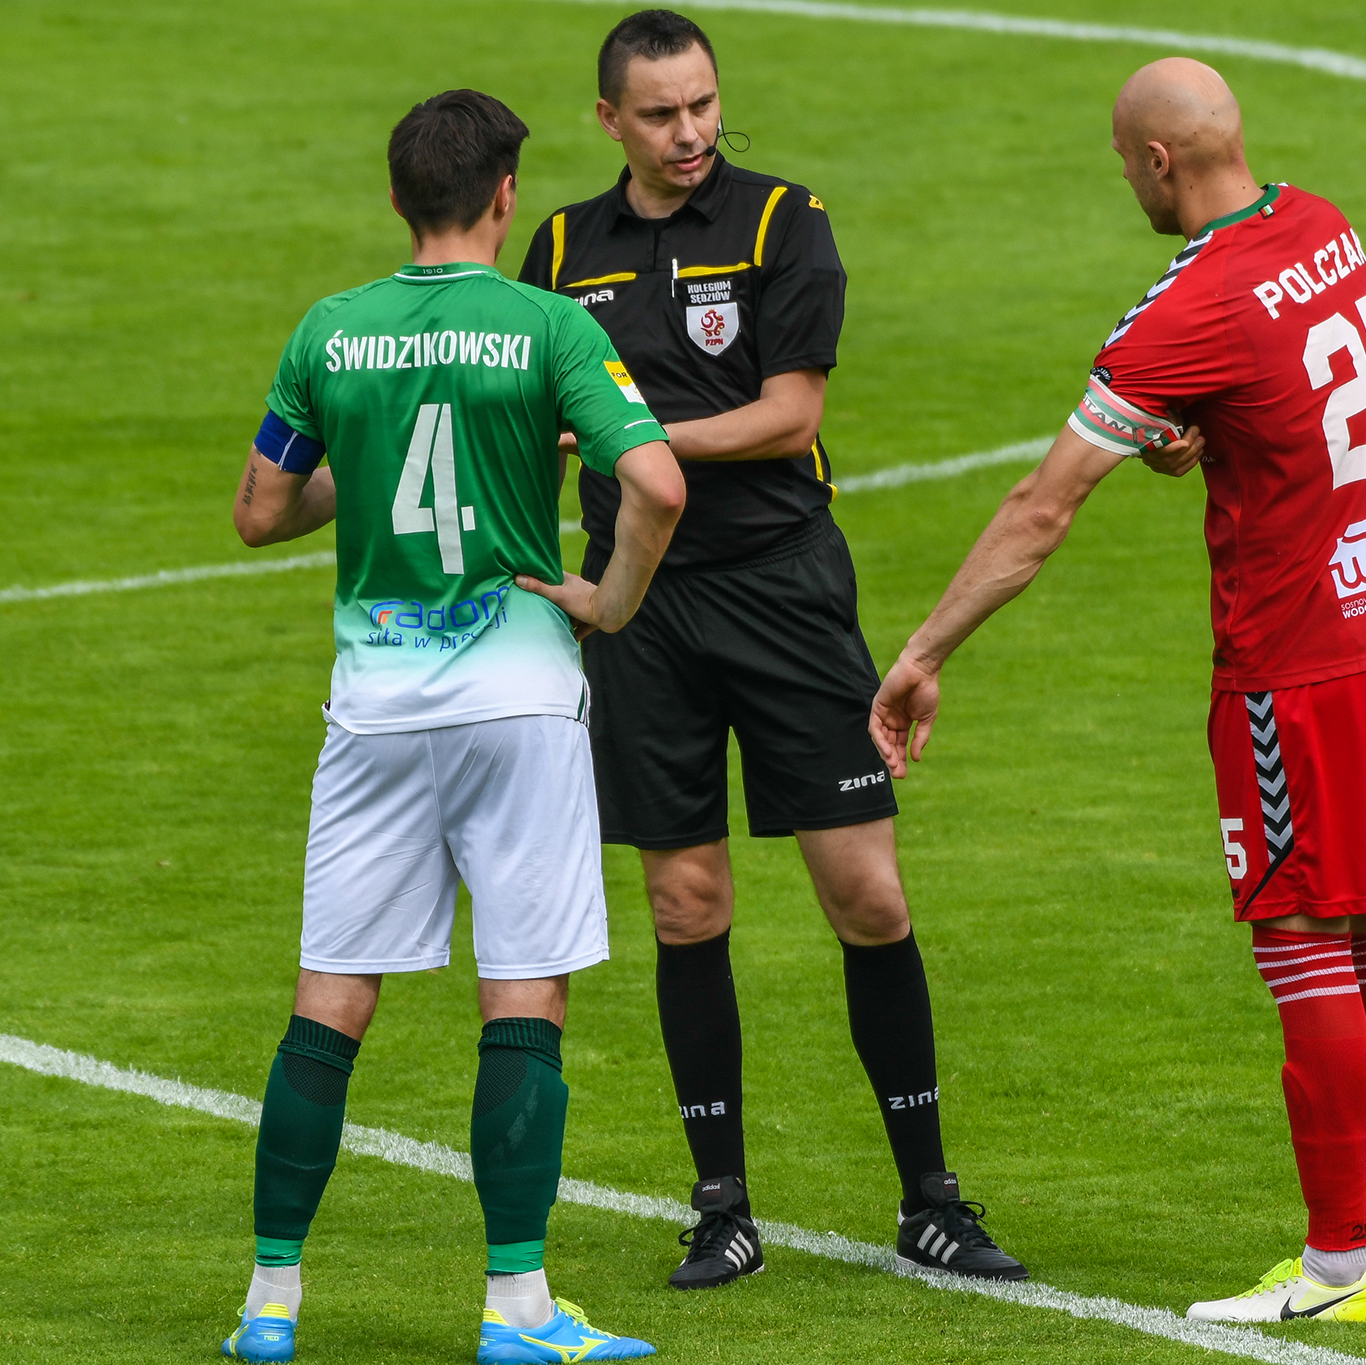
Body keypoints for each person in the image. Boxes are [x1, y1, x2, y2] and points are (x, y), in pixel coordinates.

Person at [868, 58, 1366, 1325]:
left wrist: (924, 651)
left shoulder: (1188, 305)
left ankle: (1334, 1267)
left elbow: (1041, 507)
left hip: (1292, 660)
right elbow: (1277, 402)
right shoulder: (1320, 224)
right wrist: (1201, 435)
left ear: (1154, 162)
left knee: (1302, 942)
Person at [518, 9, 1026, 1290]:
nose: (689, 132)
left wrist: (630, 438)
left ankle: (929, 1199)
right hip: (639, 607)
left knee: (868, 897)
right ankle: (721, 1207)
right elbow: (529, 428)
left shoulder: (781, 221)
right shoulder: (563, 249)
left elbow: (790, 415)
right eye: (659, 114)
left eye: (702, 104)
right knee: (685, 905)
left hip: (782, 593)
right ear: (609, 120)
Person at [221, 88, 685, 1364]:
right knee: (520, 994)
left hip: (374, 708)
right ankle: (517, 1311)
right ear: (504, 197)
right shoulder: (548, 325)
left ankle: (269, 1303)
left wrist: (360, 471)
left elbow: (261, 510)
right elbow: (654, 483)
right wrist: (607, 602)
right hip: (518, 700)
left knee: (330, 1000)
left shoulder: (330, 331)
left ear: (395, 199)